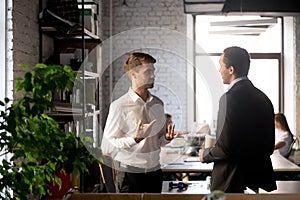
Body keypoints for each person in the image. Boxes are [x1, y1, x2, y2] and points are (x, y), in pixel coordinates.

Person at [199, 46, 277, 193]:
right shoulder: (264, 98)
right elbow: (269, 146)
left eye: (221, 65)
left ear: (231, 69)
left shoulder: (229, 99)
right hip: (255, 181)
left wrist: (205, 154)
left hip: (230, 181)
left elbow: (226, 147)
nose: (219, 70)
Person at [100, 52, 177, 193]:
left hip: (155, 173)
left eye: (153, 71)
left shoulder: (158, 104)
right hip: (130, 176)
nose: (153, 75)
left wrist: (166, 138)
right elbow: (107, 146)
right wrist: (134, 139)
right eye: (148, 71)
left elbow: (157, 141)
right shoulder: (119, 106)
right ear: (133, 74)